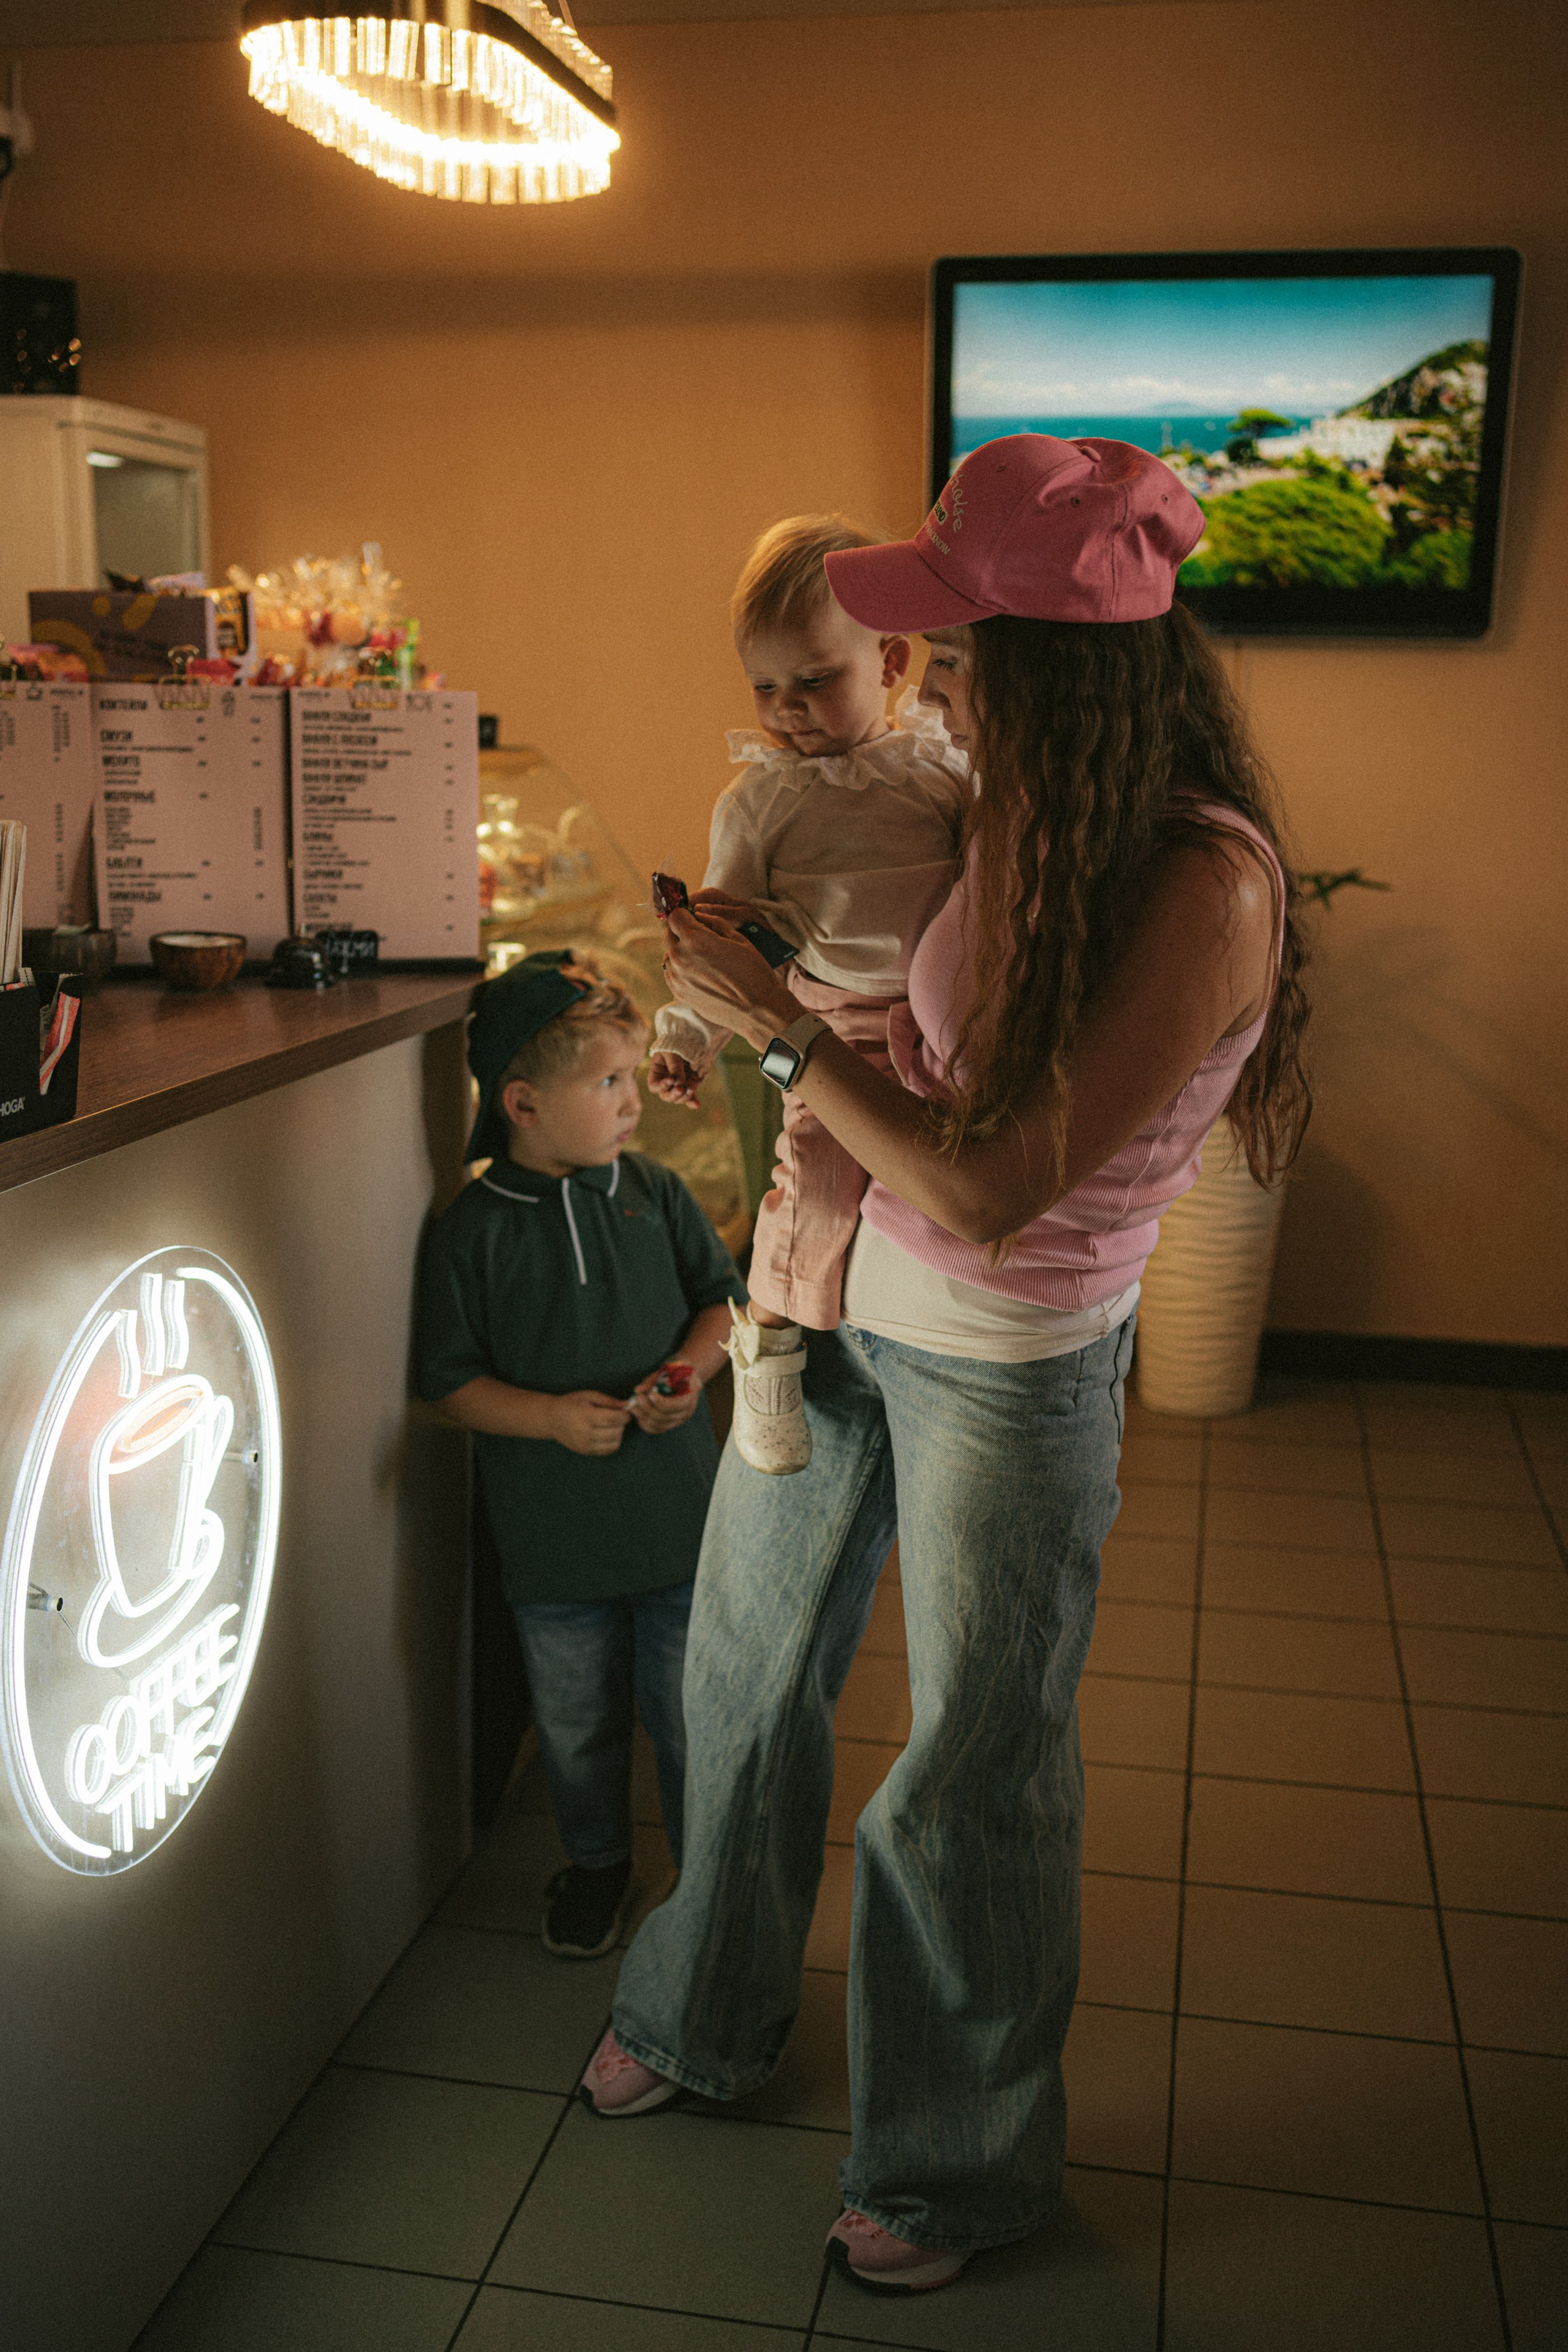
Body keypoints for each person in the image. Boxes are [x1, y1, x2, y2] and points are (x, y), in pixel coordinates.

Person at [578, 437, 1313, 2293]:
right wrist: (763, 985)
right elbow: (905, 1039)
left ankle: (953, 2167)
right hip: (838, 1301)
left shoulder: (1200, 882)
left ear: (1049, 670)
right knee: (745, 1679)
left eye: (958, 654)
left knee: (973, 1771)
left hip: (1010, 1356)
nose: (926, 687)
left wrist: (770, 1040)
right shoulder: (1005, 800)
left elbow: (992, 1187)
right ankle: (696, 2016)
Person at [414, 950, 745, 1959]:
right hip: (552, 1547)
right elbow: (448, 1382)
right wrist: (552, 1419)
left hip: (679, 1525)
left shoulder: (653, 1189)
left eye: (631, 1077)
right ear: (522, 1100)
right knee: (575, 1726)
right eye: (607, 1082)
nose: (631, 1104)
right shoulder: (471, 1234)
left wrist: (690, 1372)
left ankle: (708, 1882)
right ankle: (598, 1866)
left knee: (692, 1718)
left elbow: (721, 1304)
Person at [649, 514, 969, 1476]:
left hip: (941, 1022)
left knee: (939, 1186)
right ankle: (771, 1352)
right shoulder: (763, 800)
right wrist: (687, 1039)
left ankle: (915, 1342)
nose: (787, 709)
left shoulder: (943, 767)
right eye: (766, 686)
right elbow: (720, 933)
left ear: (895, 660)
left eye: (816, 680)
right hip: (822, 1024)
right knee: (816, 1191)